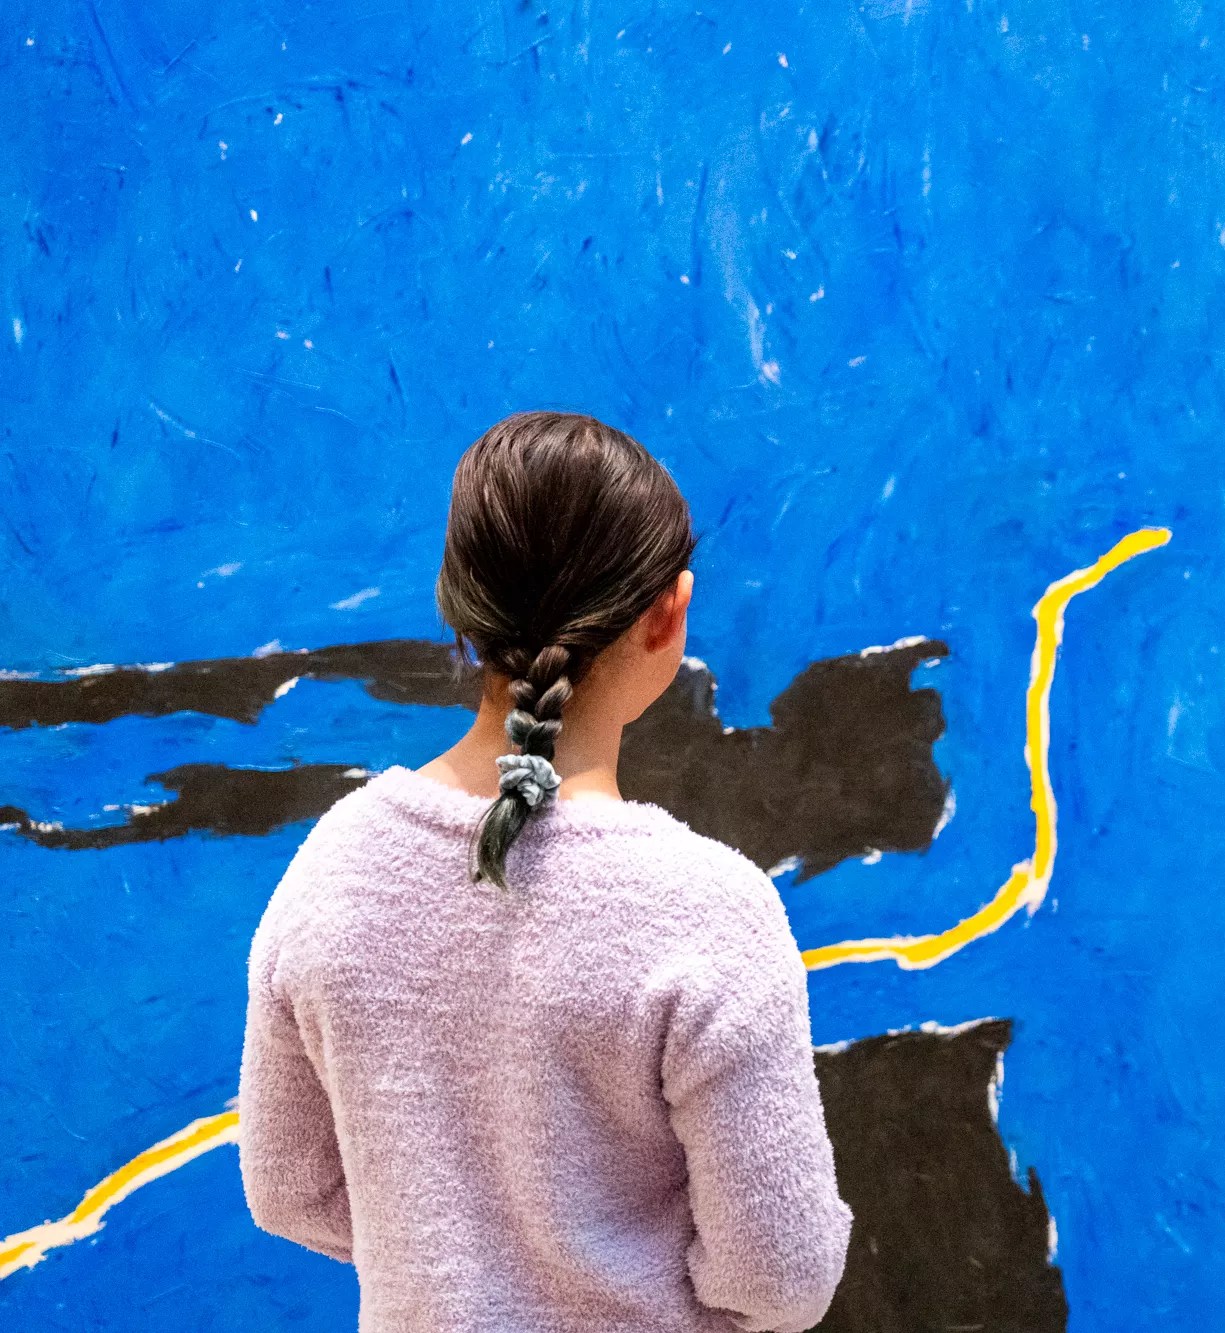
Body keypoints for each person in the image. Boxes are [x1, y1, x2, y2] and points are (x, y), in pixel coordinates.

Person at [236, 411, 853, 1332]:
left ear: (459, 604)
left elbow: (288, 1188)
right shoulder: (711, 912)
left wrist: (449, 1262)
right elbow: (781, 1276)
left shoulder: (333, 866)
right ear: (669, 615)